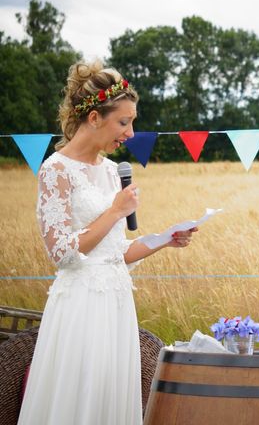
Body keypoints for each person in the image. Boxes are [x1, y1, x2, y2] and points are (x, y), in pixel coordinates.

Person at [18, 60, 198, 425]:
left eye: (132, 122)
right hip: (81, 307)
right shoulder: (56, 170)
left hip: (117, 304)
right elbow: (62, 253)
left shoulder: (112, 170)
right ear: (95, 118)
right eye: (124, 122)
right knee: (78, 401)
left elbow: (117, 254)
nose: (130, 133)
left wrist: (166, 239)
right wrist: (116, 211)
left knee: (110, 400)